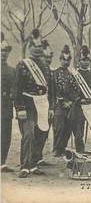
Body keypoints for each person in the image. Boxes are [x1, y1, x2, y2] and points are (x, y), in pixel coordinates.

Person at [14, 29, 54, 178]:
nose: (37, 49)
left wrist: (52, 107)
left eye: (39, 47)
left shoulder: (45, 66)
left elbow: (52, 89)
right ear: (30, 47)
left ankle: (34, 164)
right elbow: (16, 89)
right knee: (28, 134)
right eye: (34, 46)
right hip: (28, 104)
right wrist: (20, 108)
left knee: (41, 134)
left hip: (43, 104)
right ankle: (25, 166)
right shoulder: (23, 65)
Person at [52, 45, 80, 157]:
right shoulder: (54, 73)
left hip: (70, 104)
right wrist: (62, 101)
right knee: (59, 127)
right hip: (59, 104)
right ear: (60, 59)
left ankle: (62, 147)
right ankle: (57, 149)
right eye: (64, 59)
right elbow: (54, 90)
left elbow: (76, 89)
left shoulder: (72, 74)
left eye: (68, 59)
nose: (66, 61)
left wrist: (72, 101)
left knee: (68, 127)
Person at [31, 40, 54, 167]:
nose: (48, 59)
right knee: (36, 133)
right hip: (36, 106)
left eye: (50, 56)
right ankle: (33, 159)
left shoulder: (50, 71)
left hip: (47, 107)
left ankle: (38, 157)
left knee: (44, 133)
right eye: (46, 57)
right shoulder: (35, 72)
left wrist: (52, 107)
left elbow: (53, 92)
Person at [1, 32, 15, 172]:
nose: (3, 54)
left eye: (5, 51)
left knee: (5, 134)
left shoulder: (12, 70)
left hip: (6, 108)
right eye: (1, 51)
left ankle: (2, 162)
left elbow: (15, 90)